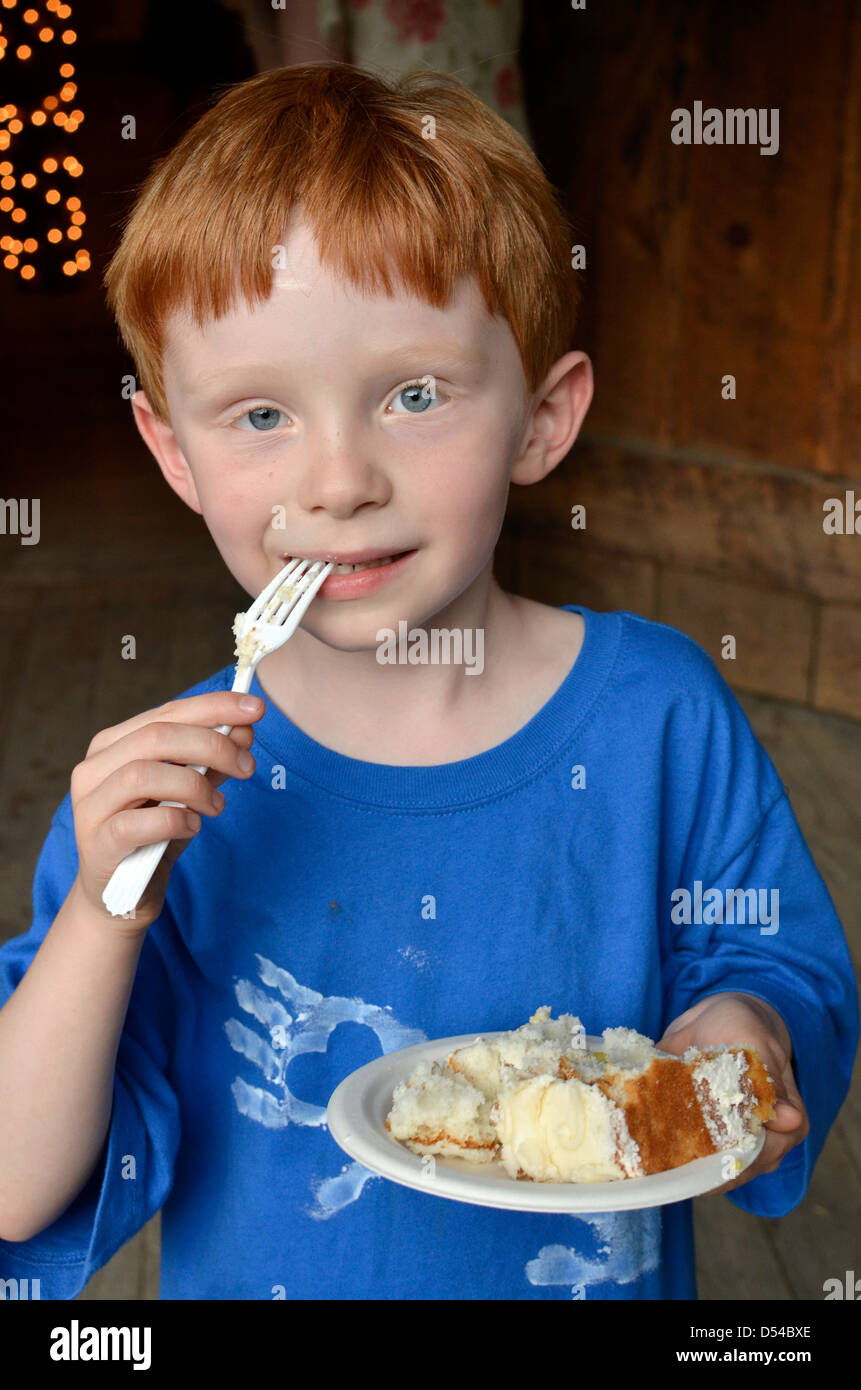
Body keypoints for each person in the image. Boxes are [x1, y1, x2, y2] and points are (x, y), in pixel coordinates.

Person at [0, 63, 856, 1301]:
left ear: (542, 419)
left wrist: (741, 1037)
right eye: (258, 416)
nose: (339, 480)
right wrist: (100, 917)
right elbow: (20, 1185)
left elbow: (776, 969)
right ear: (172, 452)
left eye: (413, 394)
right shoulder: (158, 808)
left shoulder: (660, 717)